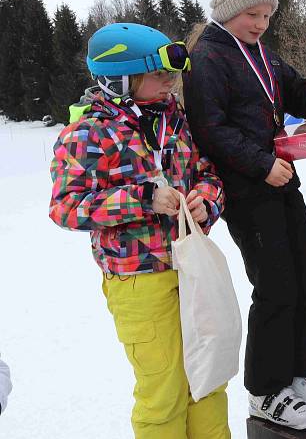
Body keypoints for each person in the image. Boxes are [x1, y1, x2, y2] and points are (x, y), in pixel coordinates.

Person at [182, 0, 306, 430]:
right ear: (226, 11)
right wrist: (262, 165)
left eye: (266, 15)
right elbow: (210, 128)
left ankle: (300, 372)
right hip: (247, 190)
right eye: (252, 15)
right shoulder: (208, 59)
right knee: (277, 285)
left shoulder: (261, 54)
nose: (261, 23)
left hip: (282, 183)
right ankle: (265, 389)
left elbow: (300, 90)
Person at [49, 23, 229, 438]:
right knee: (163, 392)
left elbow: (208, 172)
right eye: (159, 75)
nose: (170, 83)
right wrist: (142, 198)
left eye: (171, 76)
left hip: (192, 269)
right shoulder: (89, 133)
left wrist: (207, 200)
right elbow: (65, 207)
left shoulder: (176, 119)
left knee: (208, 378)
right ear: (120, 79)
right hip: (139, 280)